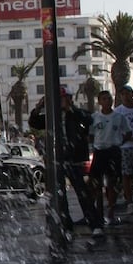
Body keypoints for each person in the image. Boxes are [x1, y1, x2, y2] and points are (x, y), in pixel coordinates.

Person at [29, 86, 105, 237]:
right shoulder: (52, 115)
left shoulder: (77, 114)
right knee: (59, 195)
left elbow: (88, 119)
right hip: (57, 159)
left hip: (74, 159)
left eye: (63, 98)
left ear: (69, 99)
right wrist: (39, 107)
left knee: (82, 193)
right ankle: (66, 224)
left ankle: (94, 224)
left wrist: (70, 109)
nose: (60, 102)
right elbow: (34, 122)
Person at [88, 90, 125, 225]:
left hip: (113, 150)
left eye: (109, 98)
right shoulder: (94, 117)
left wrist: (119, 142)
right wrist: (97, 144)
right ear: (99, 101)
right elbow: (91, 134)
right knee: (96, 183)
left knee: (112, 182)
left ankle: (111, 211)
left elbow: (127, 132)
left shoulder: (119, 117)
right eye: (104, 99)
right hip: (100, 151)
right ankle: (98, 212)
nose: (107, 101)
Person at [113, 85, 133, 212]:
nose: (125, 96)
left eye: (128, 93)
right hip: (125, 146)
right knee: (126, 175)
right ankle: (130, 202)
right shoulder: (118, 111)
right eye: (123, 94)